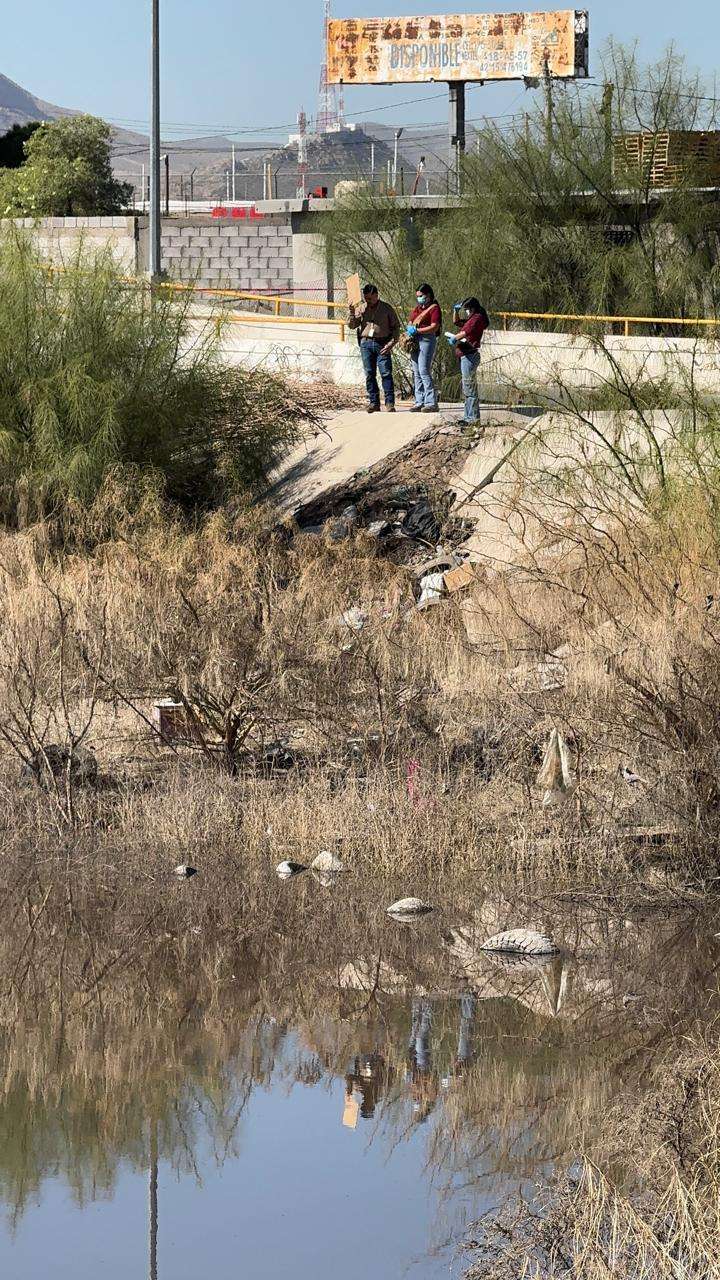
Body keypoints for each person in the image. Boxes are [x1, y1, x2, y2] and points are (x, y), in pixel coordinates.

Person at [348, 283, 400, 413]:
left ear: (376, 295)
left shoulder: (387, 308)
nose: (368, 301)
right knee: (369, 374)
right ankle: (374, 402)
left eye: (370, 298)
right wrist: (352, 313)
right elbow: (352, 325)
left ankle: (389, 403)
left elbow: (396, 327)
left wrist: (391, 344)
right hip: (365, 344)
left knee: (386, 373)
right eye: (366, 299)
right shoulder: (361, 308)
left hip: (382, 344)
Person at [446, 297, 489, 425]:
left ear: (472, 308)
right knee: (467, 389)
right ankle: (467, 417)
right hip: (465, 355)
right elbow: (457, 322)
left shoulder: (477, 318)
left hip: (469, 356)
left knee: (470, 390)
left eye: (466, 310)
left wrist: (454, 337)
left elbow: (465, 332)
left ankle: (473, 419)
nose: (466, 312)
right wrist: (455, 311)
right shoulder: (472, 318)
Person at [405, 283, 442, 412]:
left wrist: (418, 330)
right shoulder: (418, 308)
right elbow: (411, 320)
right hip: (415, 340)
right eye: (418, 296)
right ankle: (419, 401)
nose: (419, 298)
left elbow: (434, 326)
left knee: (424, 370)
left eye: (421, 296)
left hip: (426, 339)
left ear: (428, 295)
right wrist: (410, 328)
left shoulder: (434, 308)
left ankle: (431, 402)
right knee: (416, 372)